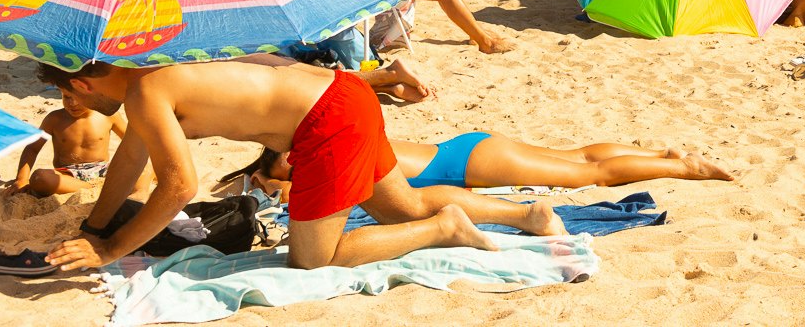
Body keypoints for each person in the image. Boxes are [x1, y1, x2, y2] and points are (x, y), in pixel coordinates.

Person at [41, 57, 563, 274]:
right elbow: (128, 165)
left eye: (70, 96)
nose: (75, 107)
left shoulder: (144, 94)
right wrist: (93, 226)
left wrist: (110, 249)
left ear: (81, 85)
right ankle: (527, 217)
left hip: (326, 122)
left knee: (314, 258)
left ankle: (446, 227)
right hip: (344, 92)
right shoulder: (157, 72)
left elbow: (178, 186)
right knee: (403, 206)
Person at [228, 131, 732, 195]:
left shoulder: (328, 162)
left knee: (589, 175)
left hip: (470, 166)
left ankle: (684, 169)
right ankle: (662, 154)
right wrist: (261, 174)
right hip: (466, 149)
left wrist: (264, 184)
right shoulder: (337, 141)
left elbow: (299, 196)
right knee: (577, 158)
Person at [14, 82, 128, 197]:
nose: (72, 103)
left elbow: (131, 141)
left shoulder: (108, 115)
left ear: (94, 94)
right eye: (67, 97)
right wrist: (21, 179)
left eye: (79, 98)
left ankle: (96, 186)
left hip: (102, 171)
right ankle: (91, 187)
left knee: (141, 172)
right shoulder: (54, 119)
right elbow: (32, 148)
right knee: (40, 178)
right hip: (67, 175)